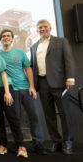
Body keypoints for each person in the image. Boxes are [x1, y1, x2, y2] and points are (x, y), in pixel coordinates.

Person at [0, 29, 47, 155]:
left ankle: (38, 144)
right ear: (0, 39)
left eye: (8, 36)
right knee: (15, 119)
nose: (6, 38)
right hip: (11, 91)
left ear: (12, 38)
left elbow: (28, 69)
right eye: (3, 36)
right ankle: (19, 143)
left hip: (25, 88)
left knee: (34, 116)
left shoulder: (20, 53)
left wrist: (32, 86)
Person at [30, 19, 75, 154]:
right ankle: (56, 141)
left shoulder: (61, 41)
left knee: (64, 114)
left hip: (60, 83)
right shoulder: (33, 47)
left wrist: (70, 78)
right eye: (40, 27)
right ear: (37, 30)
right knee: (49, 115)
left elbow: (69, 60)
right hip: (42, 83)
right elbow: (33, 66)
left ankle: (68, 142)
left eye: (45, 27)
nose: (42, 29)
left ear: (50, 28)